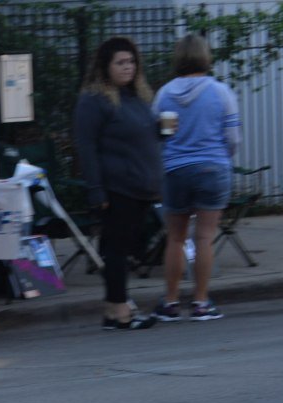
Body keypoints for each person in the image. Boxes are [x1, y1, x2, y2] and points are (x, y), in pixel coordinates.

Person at [73, 37, 162, 330]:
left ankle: (112, 309)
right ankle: (121, 309)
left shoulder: (136, 96)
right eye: (120, 63)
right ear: (105, 66)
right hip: (116, 186)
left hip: (141, 185)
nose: (128, 68)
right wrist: (96, 189)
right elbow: (86, 147)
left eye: (132, 62)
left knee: (122, 249)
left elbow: (143, 135)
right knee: (116, 250)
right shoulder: (94, 100)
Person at [151, 34, 241, 322]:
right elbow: (233, 138)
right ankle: (201, 302)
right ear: (206, 57)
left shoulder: (165, 94)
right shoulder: (221, 92)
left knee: (175, 239)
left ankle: (171, 301)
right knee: (204, 237)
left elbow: (162, 138)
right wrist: (221, 158)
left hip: (176, 170)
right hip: (213, 168)